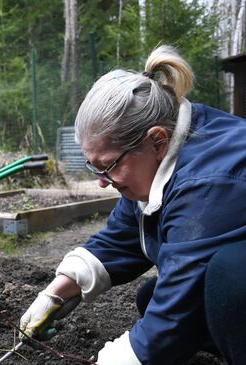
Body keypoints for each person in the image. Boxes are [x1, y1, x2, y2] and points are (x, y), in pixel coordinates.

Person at [19, 45, 246, 365]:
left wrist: (118, 358)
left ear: (157, 141)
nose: (101, 181)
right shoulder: (160, 161)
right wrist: (59, 289)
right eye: (93, 167)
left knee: (231, 277)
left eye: (108, 166)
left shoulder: (210, 181)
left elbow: (177, 302)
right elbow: (125, 233)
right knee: (151, 296)